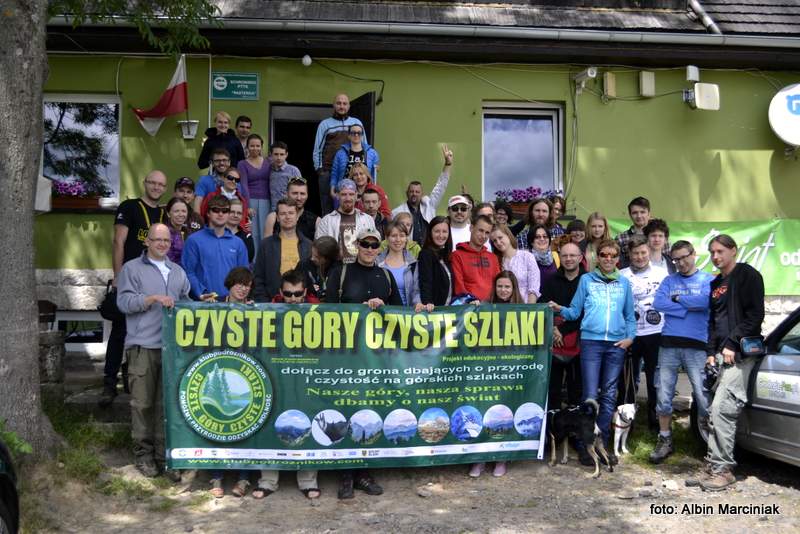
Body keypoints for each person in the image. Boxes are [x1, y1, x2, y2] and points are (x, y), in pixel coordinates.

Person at [326, 228, 400, 500]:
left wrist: (384, 308)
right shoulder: (340, 273)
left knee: (369, 412)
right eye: (365, 244)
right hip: (346, 355)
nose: (369, 249)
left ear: (379, 247)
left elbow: (399, 314)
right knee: (346, 409)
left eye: (374, 245)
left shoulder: (386, 276)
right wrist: (360, 308)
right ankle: (346, 473)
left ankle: (364, 472)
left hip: (377, 357)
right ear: (356, 245)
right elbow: (328, 311)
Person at [548, 239, 636, 461]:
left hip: (616, 345)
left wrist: (630, 338)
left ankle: (601, 443)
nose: (608, 259)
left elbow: (629, 316)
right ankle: (584, 442)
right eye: (604, 254)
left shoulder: (624, 283)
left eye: (612, 255)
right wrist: (560, 310)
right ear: (597, 257)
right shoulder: (586, 280)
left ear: (618, 258)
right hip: (591, 343)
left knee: (609, 395)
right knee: (589, 397)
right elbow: (575, 311)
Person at [116, 223, 190, 479]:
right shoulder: (131, 269)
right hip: (142, 347)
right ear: (147, 241)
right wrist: (151, 299)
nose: (162, 244)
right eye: (157, 239)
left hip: (171, 350)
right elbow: (123, 302)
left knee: (165, 406)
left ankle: (164, 457)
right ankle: (143, 456)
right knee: (142, 404)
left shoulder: (177, 271)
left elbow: (186, 304)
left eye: (166, 240)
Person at [699, 235, 765, 491]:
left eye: (720, 251)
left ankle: (723, 470)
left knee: (723, 409)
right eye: (712, 252)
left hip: (739, 354)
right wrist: (710, 351)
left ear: (733, 251)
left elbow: (755, 316)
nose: (715, 256)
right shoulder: (716, 283)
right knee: (713, 412)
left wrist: (733, 343)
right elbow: (714, 321)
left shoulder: (747, 275)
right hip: (719, 355)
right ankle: (713, 464)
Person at [103, 170, 167, 407]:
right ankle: (109, 382)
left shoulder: (164, 213)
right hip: (130, 279)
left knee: (145, 331)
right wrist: (117, 276)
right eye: (153, 183)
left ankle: (131, 376)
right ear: (145, 183)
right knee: (120, 329)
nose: (156, 187)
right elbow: (118, 241)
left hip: (154, 281)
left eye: (161, 185)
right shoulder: (129, 207)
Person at [650, 241, 713, 464]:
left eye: (684, 257)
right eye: (676, 259)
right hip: (669, 344)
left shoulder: (707, 280)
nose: (680, 263)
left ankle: (710, 443)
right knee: (663, 394)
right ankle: (665, 438)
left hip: (697, 345)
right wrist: (687, 308)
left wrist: (677, 299)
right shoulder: (669, 280)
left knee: (703, 396)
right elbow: (658, 303)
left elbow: (704, 302)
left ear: (694, 254)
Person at [468, 270, 523, 478]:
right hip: (486, 368)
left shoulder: (523, 310)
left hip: (510, 369)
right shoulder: (484, 306)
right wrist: (472, 309)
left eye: (507, 286)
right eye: (500, 286)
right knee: (483, 409)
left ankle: (501, 458)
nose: (503, 290)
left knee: (504, 412)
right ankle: (479, 458)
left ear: (513, 288)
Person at [209, 267, 255, 498]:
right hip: (219, 369)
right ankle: (216, 476)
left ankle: (243, 478)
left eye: (247, 285)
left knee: (245, 426)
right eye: (239, 283)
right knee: (217, 424)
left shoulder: (255, 309)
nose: (242, 288)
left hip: (245, 373)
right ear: (229, 284)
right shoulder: (214, 305)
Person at [619, 236, 668, 432]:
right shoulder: (621, 275)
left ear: (649, 252)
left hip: (656, 332)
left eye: (643, 252)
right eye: (635, 253)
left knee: (655, 379)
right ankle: (626, 422)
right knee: (628, 381)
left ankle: (655, 422)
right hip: (630, 334)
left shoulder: (662, 273)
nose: (639, 257)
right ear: (629, 255)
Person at [540, 242, 586, 425]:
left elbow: (588, 312)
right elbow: (543, 306)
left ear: (580, 258)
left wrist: (563, 330)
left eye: (572, 255)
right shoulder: (551, 280)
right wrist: (553, 329)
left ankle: (575, 429)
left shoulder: (588, 280)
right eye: (564, 255)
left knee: (576, 390)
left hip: (580, 341)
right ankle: (554, 429)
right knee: (553, 390)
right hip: (554, 341)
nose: (568, 259)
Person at [182, 195, 249, 301]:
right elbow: (188, 272)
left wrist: (241, 297)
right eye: (216, 210)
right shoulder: (193, 240)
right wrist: (202, 293)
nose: (220, 214)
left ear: (228, 214)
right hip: (203, 303)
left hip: (231, 303)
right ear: (208, 213)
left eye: (225, 211)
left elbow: (244, 276)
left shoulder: (238, 243)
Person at [313, 94, 367, 215]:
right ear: (334, 105)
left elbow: (364, 146)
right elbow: (317, 149)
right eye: (338, 103)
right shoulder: (325, 124)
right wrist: (320, 170)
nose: (341, 106)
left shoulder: (356, 122)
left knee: (354, 204)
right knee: (328, 206)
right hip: (328, 170)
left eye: (344, 103)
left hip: (352, 171)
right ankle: (328, 228)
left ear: (349, 106)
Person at [253, 199, 312, 302]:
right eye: (283, 214)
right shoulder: (266, 245)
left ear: (297, 216)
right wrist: (265, 303)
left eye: (291, 213)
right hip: (272, 304)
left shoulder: (309, 245)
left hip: (302, 304)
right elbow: (258, 278)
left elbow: (313, 278)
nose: (287, 217)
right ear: (277, 217)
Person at [392, 145, 453, 243]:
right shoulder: (396, 212)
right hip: (408, 250)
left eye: (417, 192)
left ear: (422, 194)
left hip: (428, 248)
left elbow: (441, 186)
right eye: (411, 191)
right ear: (407, 193)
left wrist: (448, 164)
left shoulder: (429, 205)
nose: (414, 194)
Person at [315, 179, 376, 264]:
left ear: (356, 195)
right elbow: (319, 248)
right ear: (337, 195)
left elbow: (374, 246)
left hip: (361, 268)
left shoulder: (367, 219)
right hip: (335, 268)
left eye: (351, 194)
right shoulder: (326, 221)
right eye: (343, 194)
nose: (348, 198)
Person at [451, 215, 500, 302]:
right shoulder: (457, 255)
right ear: (471, 228)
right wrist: (469, 301)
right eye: (480, 230)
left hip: (491, 306)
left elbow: (498, 284)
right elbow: (459, 286)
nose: (483, 236)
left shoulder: (493, 258)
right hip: (468, 306)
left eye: (487, 233)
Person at [490, 224, 540, 303]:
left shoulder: (527, 256)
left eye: (500, 237)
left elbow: (534, 287)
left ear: (508, 235)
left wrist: (529, 308)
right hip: (503, 307)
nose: (498, 242)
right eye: (494, 241)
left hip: (525, 305)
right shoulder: (495, 260)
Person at [330, 124, 380, 203]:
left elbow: (373, 175)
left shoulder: (372, 153)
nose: (356, 135)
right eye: (353, 133)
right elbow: (334, 173)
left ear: (362, 135)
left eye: (359, 133)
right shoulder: (340, 153)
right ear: (349, 136)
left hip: (365, 194)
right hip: (344, 192)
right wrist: (332, 190)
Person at [615, 197, 669, 268]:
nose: (639, 216)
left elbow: (668, 260)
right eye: (635, 213)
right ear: (630, 215)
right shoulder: (621, 238)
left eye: (642, 212)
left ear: (649, 214)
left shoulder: (659, 237)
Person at [237, 133, 270, 248]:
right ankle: (254, 258)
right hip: (251, 200)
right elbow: (244, 185)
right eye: (252, 146)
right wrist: (247, 206)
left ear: (261, 147)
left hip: (267, 201)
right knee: (253, 232)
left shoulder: (269, 162)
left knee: (266, 231)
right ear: (247, 147)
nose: (255, 148)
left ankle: (265, 257)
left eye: (257, 146)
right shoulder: (242, 164)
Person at [414, 216, 453, 311]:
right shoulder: (425, 254)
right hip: (433, 311)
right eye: (437, 231)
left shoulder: (446, 255)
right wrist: (427, 302)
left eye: (444, 231)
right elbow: (425, 282)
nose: (441, 235)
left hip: (448, 309)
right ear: (430, 233)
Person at [264, 177, 320, 242]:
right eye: (295, 193)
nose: (299, 198)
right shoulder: (273, 218)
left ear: (307, 195)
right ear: (286, 194)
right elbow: (266, 246)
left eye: (302, 194)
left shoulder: (316, 221)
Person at [376, 220, 417, 306]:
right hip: (384, 312)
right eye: (394, 236)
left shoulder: (413, 263)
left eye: (402, 236)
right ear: (386, 238)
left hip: (409, 312)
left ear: (406, 238)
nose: (398, 240)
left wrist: (418, 304)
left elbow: (417, 291)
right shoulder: (377, 263)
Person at [195, 148, 249, 212]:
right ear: (212, 163)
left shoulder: (236, 183)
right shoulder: (204, 180)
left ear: (229, 162)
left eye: (224, 160)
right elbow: (197, 204)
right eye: (217, 161)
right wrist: (198, 218)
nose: (221, 163)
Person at [297, 236, 340, 301]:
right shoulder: (303, 265)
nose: (312, 258)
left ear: (327, 259)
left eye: (316, 257)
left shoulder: (338, 270)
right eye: (312, 254)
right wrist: (308, 288)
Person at [267, 141, 302, 209]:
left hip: (288, 209)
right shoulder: (269, 170)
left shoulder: (293, 171)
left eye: (282, 154)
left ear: (286, 154)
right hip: (273, 209)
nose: (279, 157)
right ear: (271, 154)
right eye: (276, 154)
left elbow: (300, 191)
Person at [529, 224, 560, 288]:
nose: (542, 239)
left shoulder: (555, 256)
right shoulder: (527, 258)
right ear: (531, 241)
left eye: (545, 236)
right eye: (537, 237)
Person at [227, 198, 255, 264]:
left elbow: (249, 258)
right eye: (232, 212)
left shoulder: (247, 237)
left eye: (239, 213)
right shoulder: (219, 234)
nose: (235, 215)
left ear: (242, 216)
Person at [165, 197, 190, 266]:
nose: (180, 214)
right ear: (168, 214)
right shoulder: (164, 233)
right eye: (176, 211)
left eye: (183, 211)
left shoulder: (188, 231)